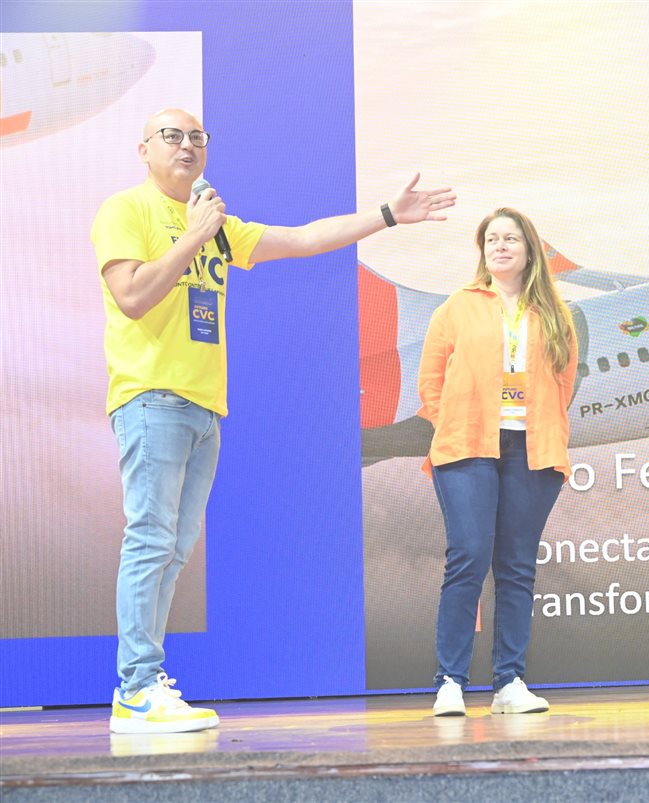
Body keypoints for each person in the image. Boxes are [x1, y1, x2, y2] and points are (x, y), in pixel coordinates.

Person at [93, 108, 455, 734]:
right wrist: (193, 235)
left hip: (204, 408)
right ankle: (135, 688)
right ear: (144, 150)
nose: (187, 145)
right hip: (152, 398)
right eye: (172, 136)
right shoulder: (127, 211)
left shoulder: (220, 226)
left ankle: (146, 683)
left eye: (198, 137)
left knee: (174, 548)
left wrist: (388, 215)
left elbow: (307, 237)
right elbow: (132, 296)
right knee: (151, 539)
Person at [417, 208, 578, 717]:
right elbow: (430, 382)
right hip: (467, 448)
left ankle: (510, 682)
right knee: (467, 559)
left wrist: (545, 423)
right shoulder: (457, 307)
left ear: (529, 249)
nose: (501, 246)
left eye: (511, 238)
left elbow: (564, 381)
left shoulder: (553, 311)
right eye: (492, 239)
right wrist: (454, 424)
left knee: (516, 569)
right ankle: (450, 683)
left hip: (531, 450)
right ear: (482, 250)